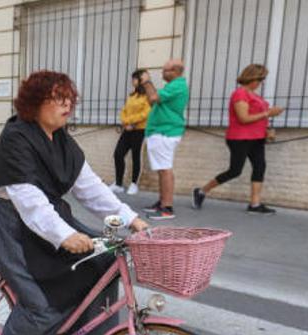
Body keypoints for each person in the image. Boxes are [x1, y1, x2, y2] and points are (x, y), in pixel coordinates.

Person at [0, 70, 148, 335]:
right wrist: (64, 236)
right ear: (33, 103)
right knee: (41, 302)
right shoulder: (17, 137)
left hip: (49, 217)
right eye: (57, 98)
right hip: (9, 222)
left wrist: (128, 217)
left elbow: (89, 187)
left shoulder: (63, 141)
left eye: (69, 97)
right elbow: (28, 200)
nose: (67, 104)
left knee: (105, 261)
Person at [193, 64, 283, 215]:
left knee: (260, 167)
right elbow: (244, 118)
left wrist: (268, 130)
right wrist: (268, 113)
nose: (261, 82)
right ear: (251, 77)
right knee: (235, 171)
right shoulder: (240, 94)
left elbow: (260, 117)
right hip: (240, 138)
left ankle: (255, 204)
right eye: (260, 79)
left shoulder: (255, 96)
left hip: (257, 138)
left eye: (263, 79)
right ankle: (202, 191)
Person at [141, 59, 189, 220]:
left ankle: (167, 207)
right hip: (162, 131)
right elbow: (154, 99)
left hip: (165, 132)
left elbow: (153, 98)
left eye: (166, 70)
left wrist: (146, 82)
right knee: (163, 169)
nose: (162, 73)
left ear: (176, 71)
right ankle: (162, 202)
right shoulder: (173, 86)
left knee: (165, 169)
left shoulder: (177, 85)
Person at [111, 69, 151, 195]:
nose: (132, 81)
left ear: (139, 80)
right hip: (127, 129)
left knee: (135, 156)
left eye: (134, 79)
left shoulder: (148, 95)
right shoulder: (132, 95)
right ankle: (118, 184)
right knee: (118, 154)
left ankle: (134, 184)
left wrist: (132, 123)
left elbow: (146, 113)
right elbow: (124, 111)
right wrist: (125, 122)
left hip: (139, 129)